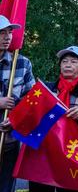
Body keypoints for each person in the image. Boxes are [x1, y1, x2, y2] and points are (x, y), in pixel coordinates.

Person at [29, 46, 78, 192]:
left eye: (73, 61)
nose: (68, 65)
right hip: (44, 152)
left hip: (72, 154)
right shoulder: (47, 89)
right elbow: (31, 115)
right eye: (64, 61)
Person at [0, 15, 35, 192]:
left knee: (6, 187)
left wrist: (16, 118)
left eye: (9, 32)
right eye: (1, 33)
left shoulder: (21, 63)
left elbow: (32, 100)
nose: (7, 37)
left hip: (9, 141)